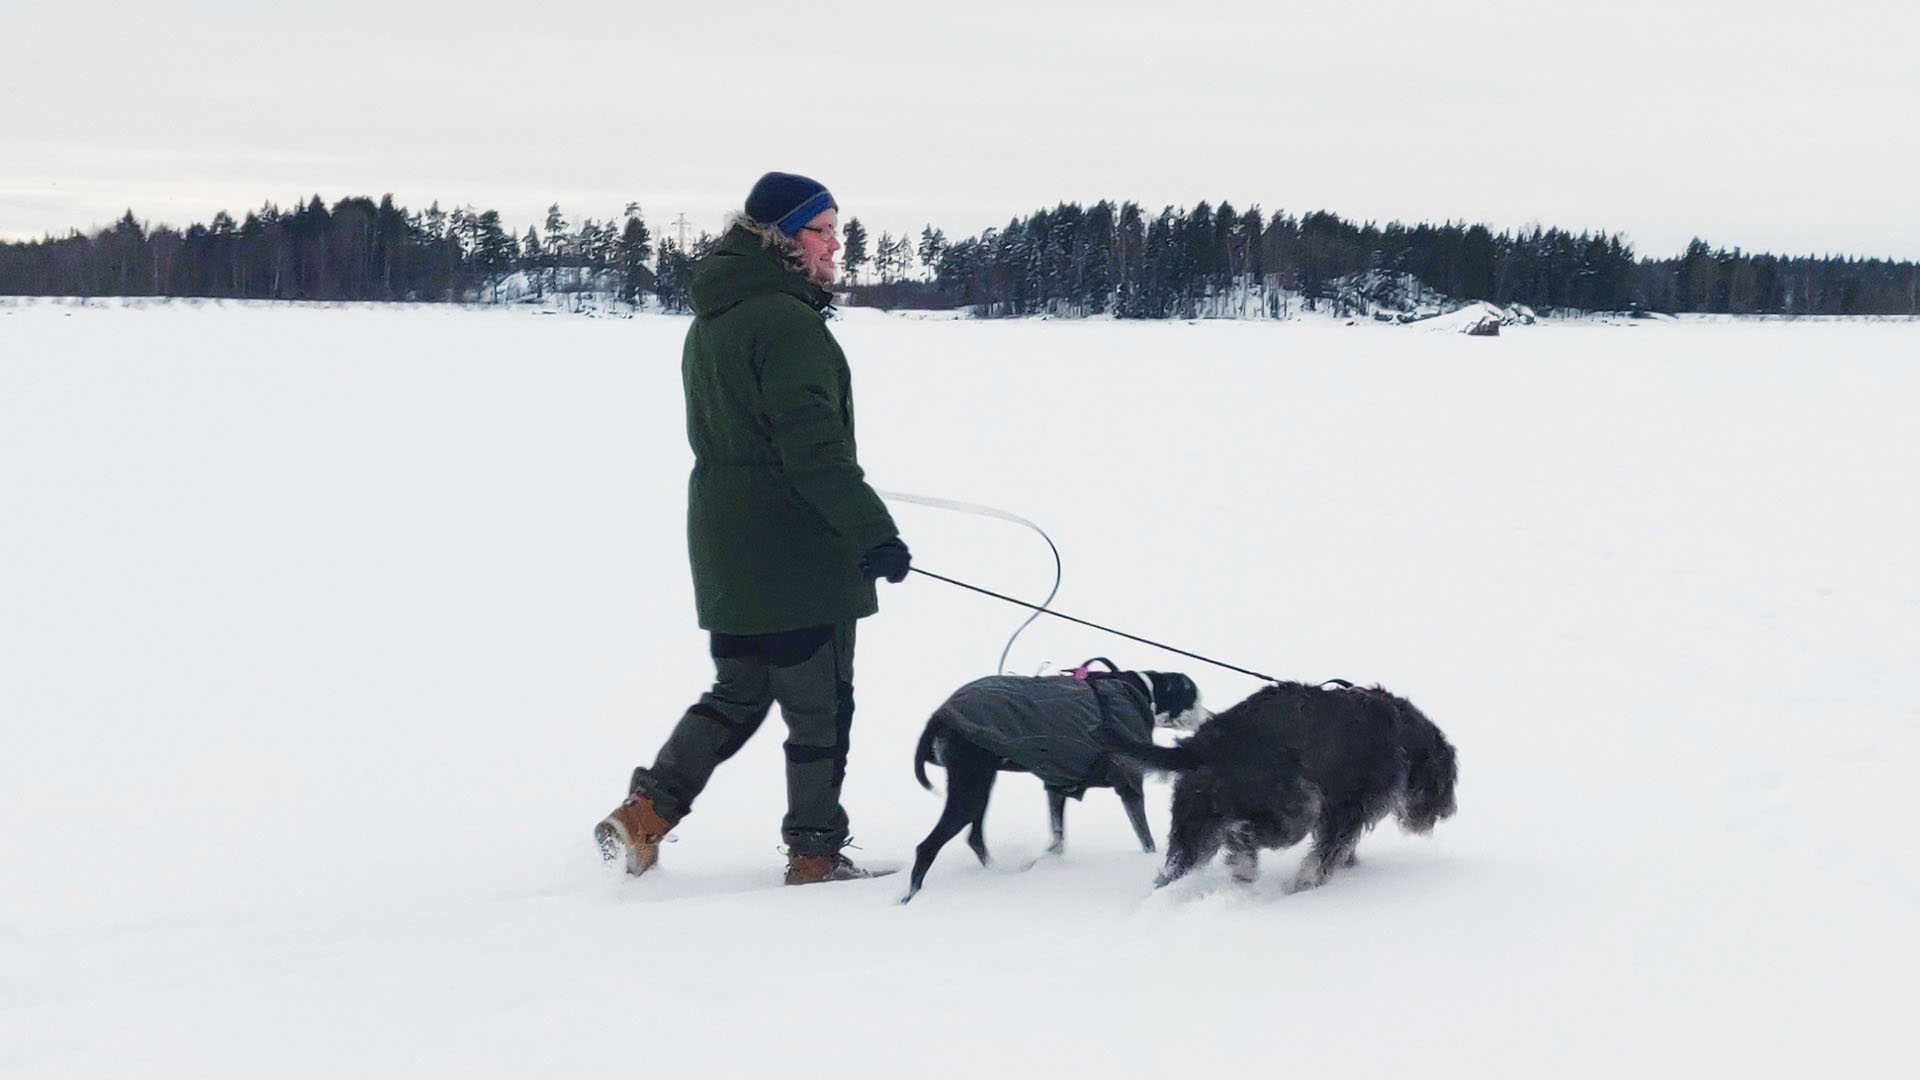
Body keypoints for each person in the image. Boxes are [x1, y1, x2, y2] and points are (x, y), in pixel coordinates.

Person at [595, 172, 911, 885]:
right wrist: (872, 533)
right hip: (797, 546)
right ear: (782, 238)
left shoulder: (716, 315)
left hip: (727, 541)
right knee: (820, 709)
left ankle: (646, 814)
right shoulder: (787, 323)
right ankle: (815, 854)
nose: (835, 245)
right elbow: (814, 452)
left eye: (836, 231)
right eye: (822, 231)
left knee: (738, 692)